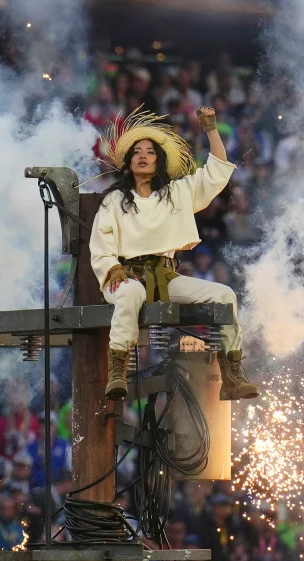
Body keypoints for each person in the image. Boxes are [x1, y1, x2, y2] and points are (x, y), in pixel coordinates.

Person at [90, 106, 257, 401]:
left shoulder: (177, 193)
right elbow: (100, 245)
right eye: (137, 152)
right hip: (125, 277)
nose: (143, 156)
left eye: (150, 152)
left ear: (159, 160)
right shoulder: (114, 200)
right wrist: (113, 269)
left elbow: (216, 173)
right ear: (129, 162)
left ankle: (232, 377)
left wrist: (210, 129)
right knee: (130, 293)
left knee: (225, 295)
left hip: (166, 277)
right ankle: (118, 372)